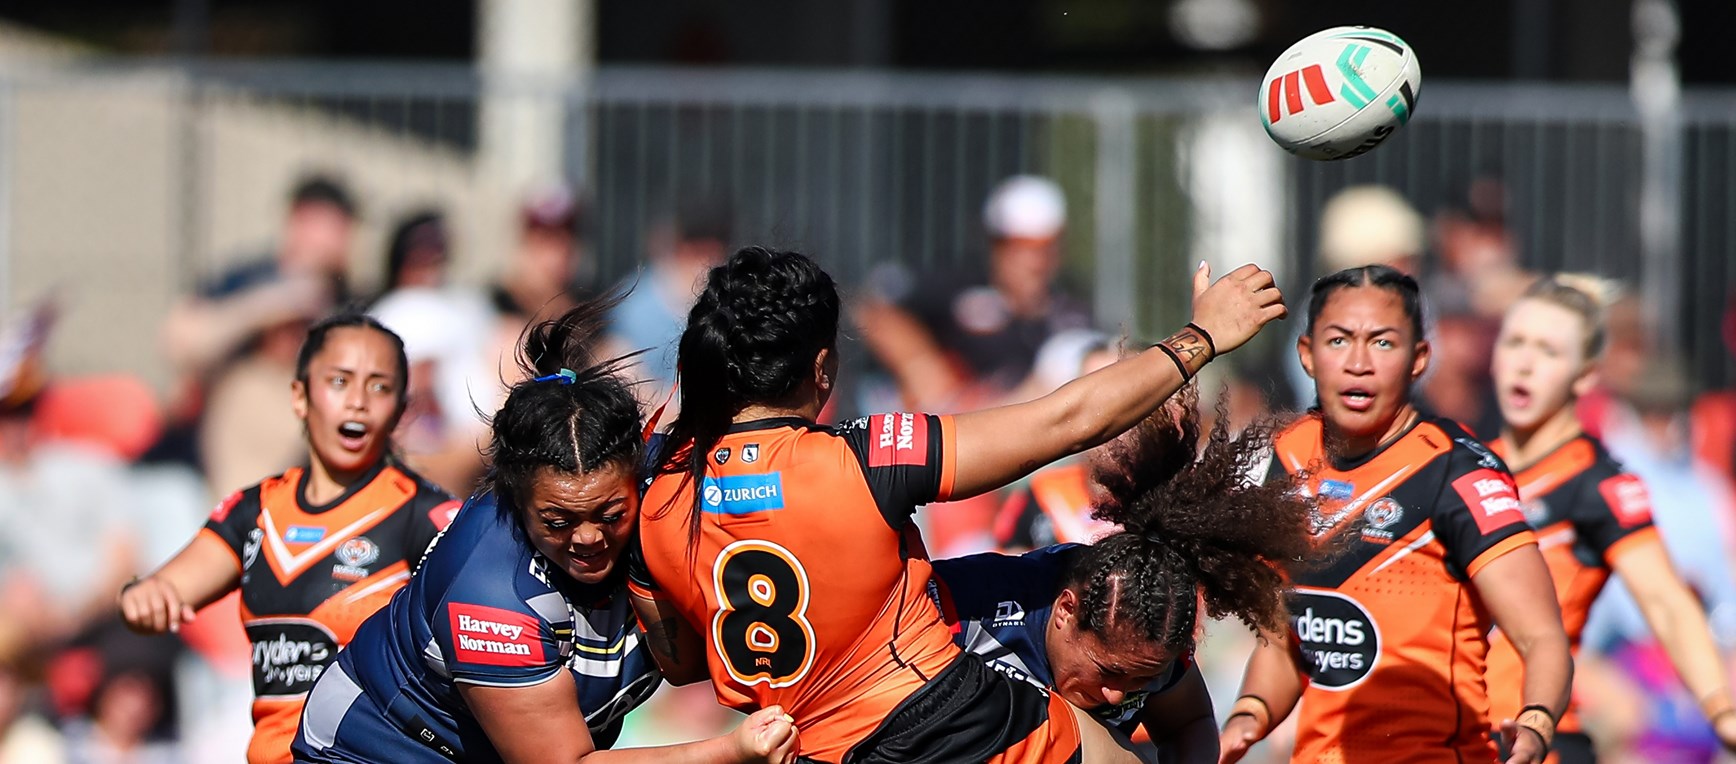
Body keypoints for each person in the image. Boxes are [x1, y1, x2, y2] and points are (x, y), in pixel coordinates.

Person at [632, 246, 1285, 763]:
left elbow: (682, 662)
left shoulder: (658, 493)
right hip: (940, 716)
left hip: (807, 749)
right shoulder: (863, 459)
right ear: (823, 369)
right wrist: (1201, 337)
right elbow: (1066, 422)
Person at [291, 302, 800, 764]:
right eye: (558, 522)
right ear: (516, 498)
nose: (587, 539)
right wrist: (731, 751)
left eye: (610, 513)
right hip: (375, 750)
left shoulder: (673, 483)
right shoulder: (490, 596)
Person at [1220, 265, 1572, 764]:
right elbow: (1284, 644)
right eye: (1339, 341)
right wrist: (1246, 718)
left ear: (1418, 359)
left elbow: (1541, 636)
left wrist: (1535, 727)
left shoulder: (1457, 471)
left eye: (1383, 343)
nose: (1358, 363)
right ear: (1306, 354)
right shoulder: (1288, 457)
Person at [119, 314, 457, 764]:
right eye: (339, 381)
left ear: (400, 409)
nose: (357, 402)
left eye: (379, 387)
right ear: (300, 395)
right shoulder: (256, 510)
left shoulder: (424, 516)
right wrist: (144, 597)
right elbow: (165, 588)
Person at [932, 390, 1324, 763]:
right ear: (1066, 609)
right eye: (1110, 671)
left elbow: (1190, 725)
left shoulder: (1154, 642)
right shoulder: (968, 604)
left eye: (1143, 681)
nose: (1116, 696)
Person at [1483, 274, 1736, 762]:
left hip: (1539, 741)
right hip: (1448, 737)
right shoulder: (1460, 466)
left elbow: (1666, 602)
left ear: (1586, 374)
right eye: (1515, 342)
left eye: (1549, 351)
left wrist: (1721, 712)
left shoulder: (1598, 484)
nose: (1526, 364)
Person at [858, 175, 1095, 412]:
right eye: (1020, 246)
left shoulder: (1071, 313)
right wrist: (922, 369)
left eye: (1046, 246)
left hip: (1023, 422)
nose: (1034, 262)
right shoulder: (958, 288)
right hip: (954, 425)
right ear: (995, 244)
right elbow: (877, 309)